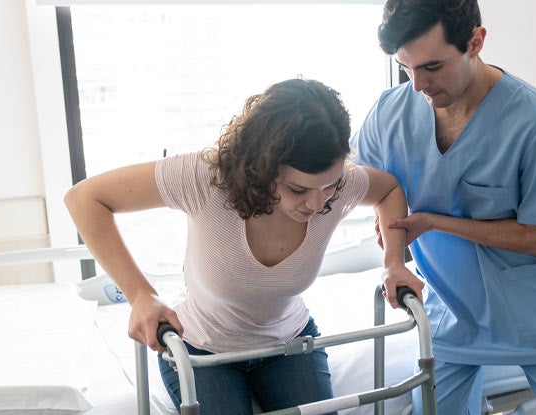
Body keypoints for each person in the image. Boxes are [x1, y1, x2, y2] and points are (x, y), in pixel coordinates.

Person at [66, 78, 423, 414]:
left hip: (288, 341)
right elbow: (84, 199)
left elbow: (389, 189)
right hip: (201, 346)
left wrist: (394, 261)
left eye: (328, 186)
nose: (316, 204)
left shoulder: (340, 187)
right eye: (298, 189)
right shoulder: (205, 177)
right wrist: (141, 295)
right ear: (261, 167)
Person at [352, 1, 536, 414]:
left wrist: (433, 222)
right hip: (452, 309)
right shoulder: (389, 113)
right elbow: (381, 190)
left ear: (475, 41)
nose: (417, 85)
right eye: (406, 68)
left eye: (432, 67)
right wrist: (393, 258)